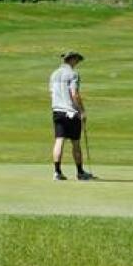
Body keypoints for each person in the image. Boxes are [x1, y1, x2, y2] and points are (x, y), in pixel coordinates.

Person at [49, 51, 93, 181]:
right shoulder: (73, 74)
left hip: (57, 111)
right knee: (75, 142)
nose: (78, 63)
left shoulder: (54, 74)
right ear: (72, 60)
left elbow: (51, 93)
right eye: (77, 60)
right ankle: (80, 172)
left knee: (59, 140)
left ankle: (57, 172)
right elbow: (74, 94)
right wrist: (82, 111)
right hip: (71, 113)